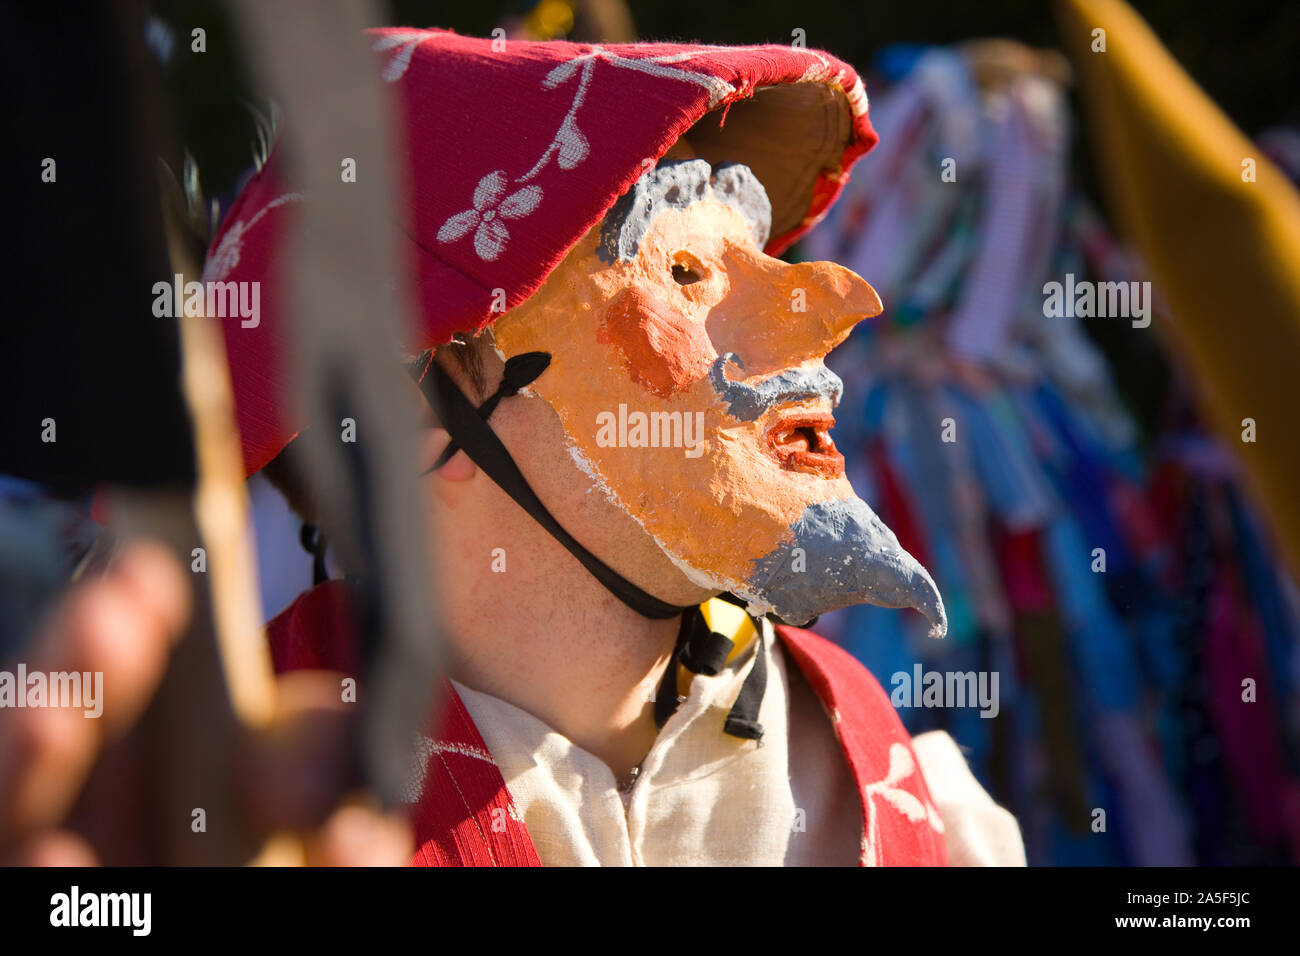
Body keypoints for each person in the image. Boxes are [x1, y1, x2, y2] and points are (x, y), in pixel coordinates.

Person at [4, 29, 1025, 867]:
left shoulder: (926, 807)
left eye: (774, 256)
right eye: (684, 269)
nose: (838, 304)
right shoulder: (190, 809)